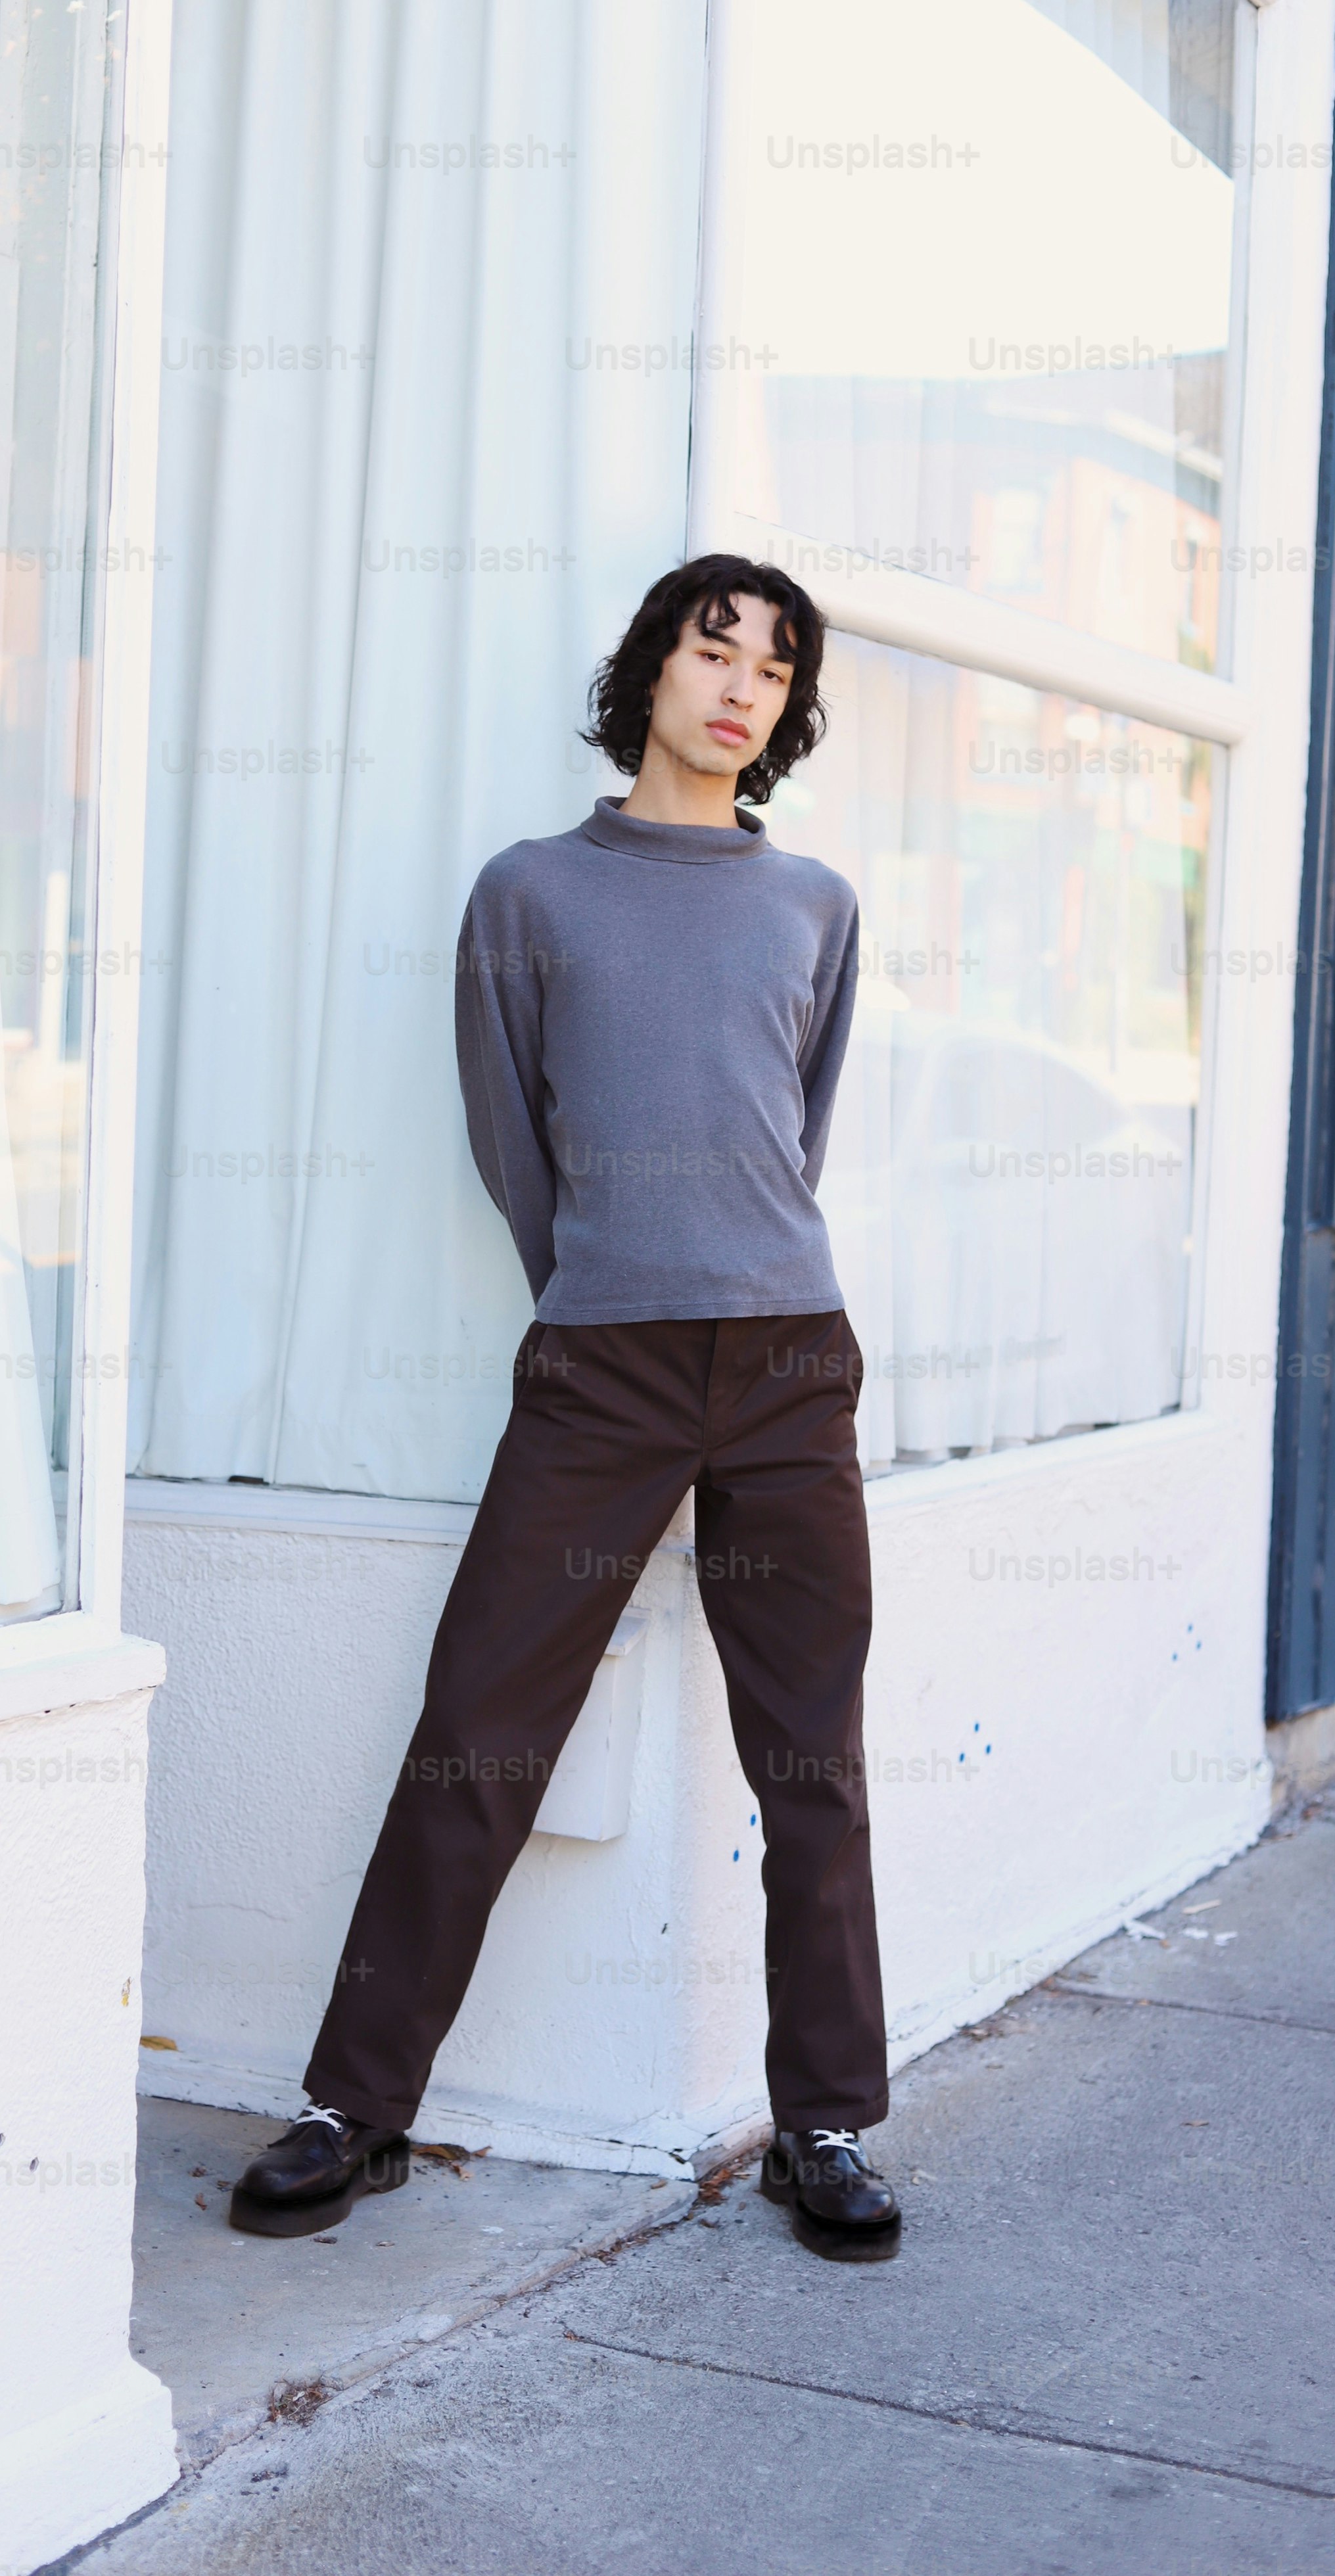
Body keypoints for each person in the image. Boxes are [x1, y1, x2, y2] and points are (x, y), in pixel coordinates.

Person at [231, 555, 897, 2246]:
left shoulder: (811, 902)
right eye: (711, 644)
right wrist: (604, 1286)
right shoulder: (529, 892)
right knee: (475, 1729)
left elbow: (790, 1140)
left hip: (788, 1360)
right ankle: (353, 2105)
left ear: (789, 710)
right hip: (600, 1363)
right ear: (651, 672)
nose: (741, 681)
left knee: (811, 1758)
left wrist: (725, 1282)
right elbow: (512, 1146)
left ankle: (821, 2124)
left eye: (775, 663)